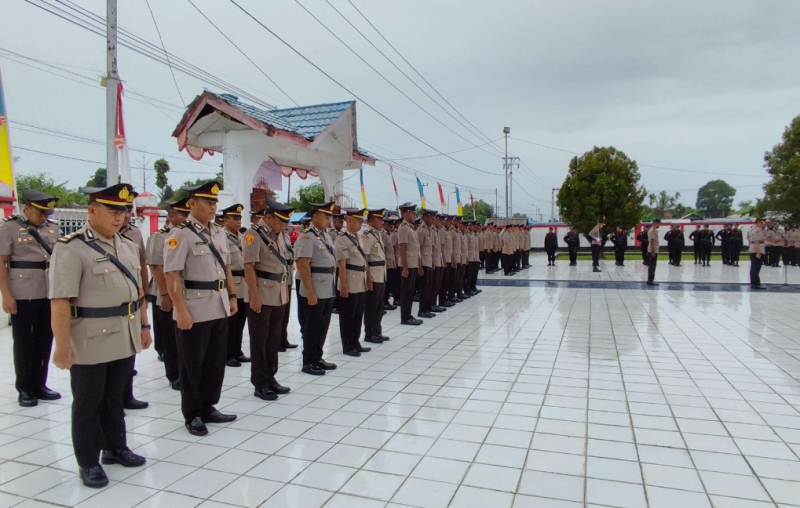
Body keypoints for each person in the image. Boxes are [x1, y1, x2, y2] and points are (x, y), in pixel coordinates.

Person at [49, 183, 151, 488]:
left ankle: (115, 448)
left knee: (114, 397)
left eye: (123, 211)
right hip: (90, 338)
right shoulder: (71, 247)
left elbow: (139, 290)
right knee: (88, 403)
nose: (119, 217)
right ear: (92, 210)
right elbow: (60, 301)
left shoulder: (127, 245)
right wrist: (62, 345)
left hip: (125, 333)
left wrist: (144, 325)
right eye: (112, 210)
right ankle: (89, 462)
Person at [163, 181, 238, 436]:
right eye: (208, 202)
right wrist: (180, 310)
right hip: (193, 307)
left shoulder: (218, 232)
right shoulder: (180, 234)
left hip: (218, 304)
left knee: (215, 362)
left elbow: (226, 267)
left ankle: (208, 406)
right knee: (191, 363)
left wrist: (232, 296)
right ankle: (192, 413)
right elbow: (172, 275)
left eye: (215, 203)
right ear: (192, 203)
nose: (213, 207)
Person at [0, 189, 61, 407]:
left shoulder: (53, 228)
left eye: (47, 212)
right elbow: (2, 262)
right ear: (26, 208)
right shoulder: (9, 227)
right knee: (25, 342)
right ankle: (25, 388)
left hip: (48, 291)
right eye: (40, 212)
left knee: (45, 339)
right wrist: (6, 295)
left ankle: (40, 384)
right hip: (23, 292)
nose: (44, 217)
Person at [243, 198, 295, 401]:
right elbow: (249, 267)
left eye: (285, 222)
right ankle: (260, 383)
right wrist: (254, 297)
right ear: (269, 217)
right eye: (281, 221)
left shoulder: (280, 235)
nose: (284, 225)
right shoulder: (253, 235)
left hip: (279, 292)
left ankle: (271, 377)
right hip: (261, 295)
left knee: (274, 340)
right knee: (260, 341)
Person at [146, 197, 189, 391]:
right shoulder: (160, 236)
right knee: (170, 336)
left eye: (188, 214)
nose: (186, 217)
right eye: (182, 214)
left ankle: (185, 369)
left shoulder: (188, 234)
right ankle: (174, 374)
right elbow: (156, 266)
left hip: (182, 290)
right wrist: (165, 295)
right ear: (172, 216)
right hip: (164, 290)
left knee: (183, 335)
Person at [295, 202, 338, 375]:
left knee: (323, 325)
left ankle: (318, 357)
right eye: (326, 216)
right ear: (315, 217)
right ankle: (308, 361)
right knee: (311, 326)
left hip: (327, 287)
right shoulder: (307, 237)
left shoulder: (325, 236)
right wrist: (310, 292)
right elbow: (303, 266)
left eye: (330, 217)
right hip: (315, 288)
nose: (329, 220)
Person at [118, 195, 149, 411]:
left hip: (132, 300)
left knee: (129, 350)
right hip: (106, 305)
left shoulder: (134, 233)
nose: (125, 215)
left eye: (128, 210)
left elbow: (141, 265)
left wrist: (145, 294)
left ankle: (126, 395)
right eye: (120, 210)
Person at [335, 208, 371, 357]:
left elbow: (364, 260)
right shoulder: (341, 238)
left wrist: (368, 279)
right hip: (349, 281)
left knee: (358, 314)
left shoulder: (358, 237)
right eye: (358, 221)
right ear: (349, 221)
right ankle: (347, 345)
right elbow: (342, 265)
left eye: (361, 221)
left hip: (360, 280)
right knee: (347, 316)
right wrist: (343, 286)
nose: (360, 224)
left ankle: (355, 342)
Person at [221, 204, 251, 368]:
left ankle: (237, 350)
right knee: (230, 322)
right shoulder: (221, 237)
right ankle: (228, 354)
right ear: (225, 220)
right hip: (231, 284)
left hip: (243, 285)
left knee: (240, 321)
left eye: (240, 218)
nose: (238, 221)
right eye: (234, 218)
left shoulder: (242, 237)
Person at [363, 209, 390, 344]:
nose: (382, 222)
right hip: (373, 273)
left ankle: (377, 331)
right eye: (379, 220)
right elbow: (365, 259)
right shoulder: (367, 235)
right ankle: (369, 333)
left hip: (380, 272)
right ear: (372, 220)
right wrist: (368, 279)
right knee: (371, 306)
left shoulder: (377, 234)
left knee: (379, 305)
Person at [397, 205, 423, 325]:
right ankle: (404, 317)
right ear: (406, 214)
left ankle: (408, 314)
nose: (415, 216)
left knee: (410, 291)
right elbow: (402, 248)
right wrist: (405, 267)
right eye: (413, 213)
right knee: (406, 292)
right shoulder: (403, 228)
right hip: (407, 266)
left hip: (412, 264)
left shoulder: (410, 228)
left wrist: (417, 265)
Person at [416, 209, 436, 319]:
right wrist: (419, 266)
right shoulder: (421, 230)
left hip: (428, 261)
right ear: (425, 217)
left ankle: (427, 308)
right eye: (431, 218)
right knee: (423, 288)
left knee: (428, 286)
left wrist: (432, 262)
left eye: (434, 218)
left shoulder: (429, 230)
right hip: (423, 262)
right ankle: (422, 310)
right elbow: (418, 248)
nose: (433, 220)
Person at [430, 213, 447, 311]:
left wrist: (443, 259)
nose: (442, 223)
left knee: (437, 284)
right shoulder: (431, 231)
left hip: (438, 259)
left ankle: (434, 303)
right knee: (432, 285)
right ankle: (431, 304)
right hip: (432, 261)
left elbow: (440, 247)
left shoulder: (437, 231)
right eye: (440, 220)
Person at [382, 217, 398, 311]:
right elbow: (383, 250)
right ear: (385, 225)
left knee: (389, 283)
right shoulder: (383, 235)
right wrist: (385, 263)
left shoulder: (388, 235)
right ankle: (384, 302)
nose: (391, 227)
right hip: (387, 263)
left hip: (391, 262)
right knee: (386, 284)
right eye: (389, 225)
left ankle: (386, 301)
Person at [748, 218, 766, 289]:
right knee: (756, 267)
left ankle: (755, 283)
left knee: (755, 267)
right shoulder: (757, 231)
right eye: (762, 222)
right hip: (756, 250)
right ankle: (755, 283)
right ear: (758, 223)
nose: (763, 224)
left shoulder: (753, 229)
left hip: (756, 249)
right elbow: (756, 242)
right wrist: (758, 253)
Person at [646, 218, 661, 285]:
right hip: (653, 251)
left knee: (652, 266)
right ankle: (650, 280)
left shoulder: (653, 230)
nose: (660, 225)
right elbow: (652, 241)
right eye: (659, 223)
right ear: (656, 223)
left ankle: (651, 279)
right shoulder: (653, 231)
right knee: (652, 266)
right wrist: (652, 251)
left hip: (653, 250)